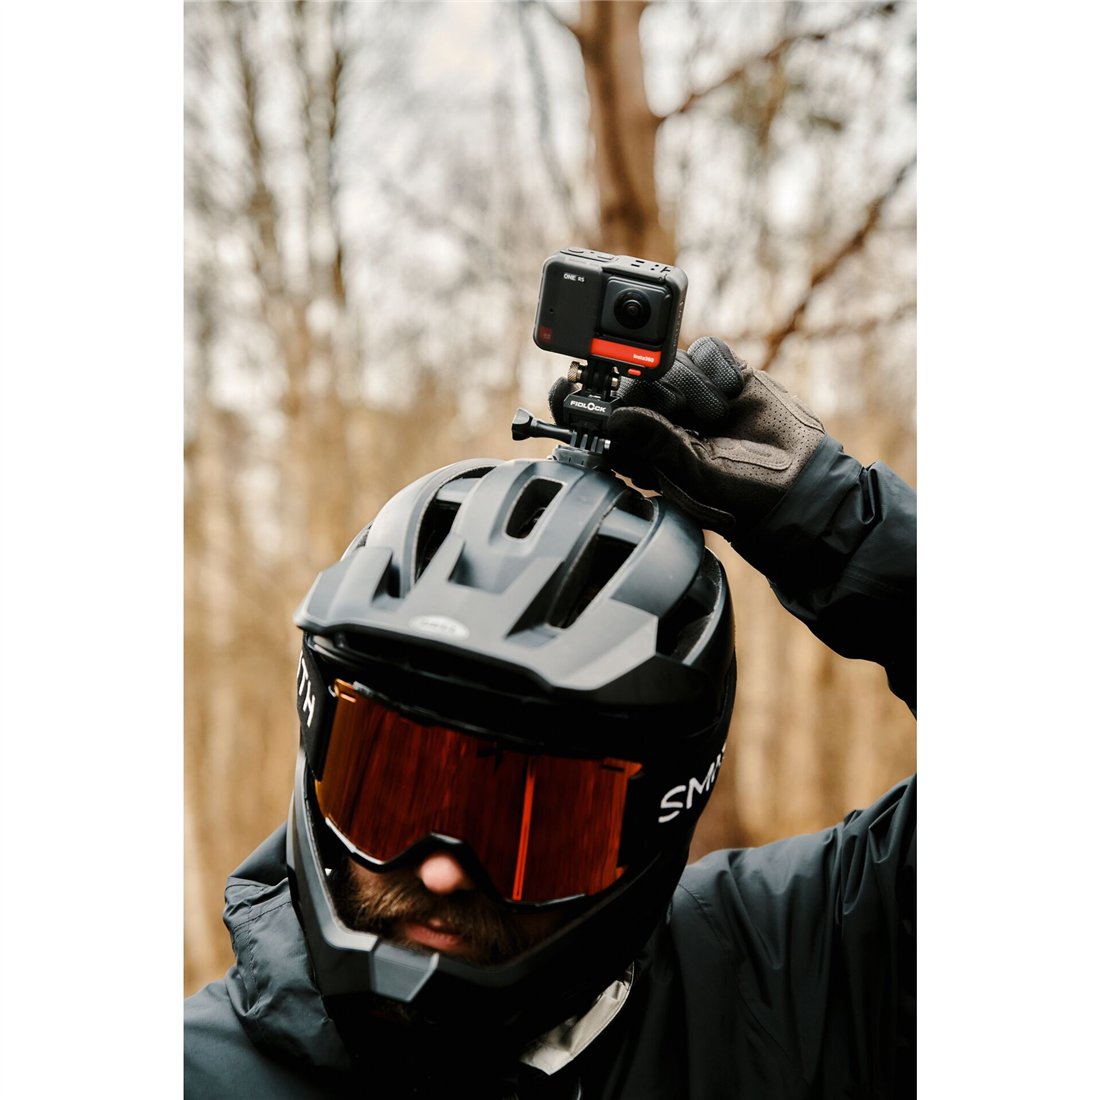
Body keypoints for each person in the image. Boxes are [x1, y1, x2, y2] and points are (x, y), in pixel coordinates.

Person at [184, 337, 916, 1099]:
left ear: (658, 820)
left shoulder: (779, 989)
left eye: (531, 824)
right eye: (395, 790)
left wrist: (834, 521)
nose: (441, 869)